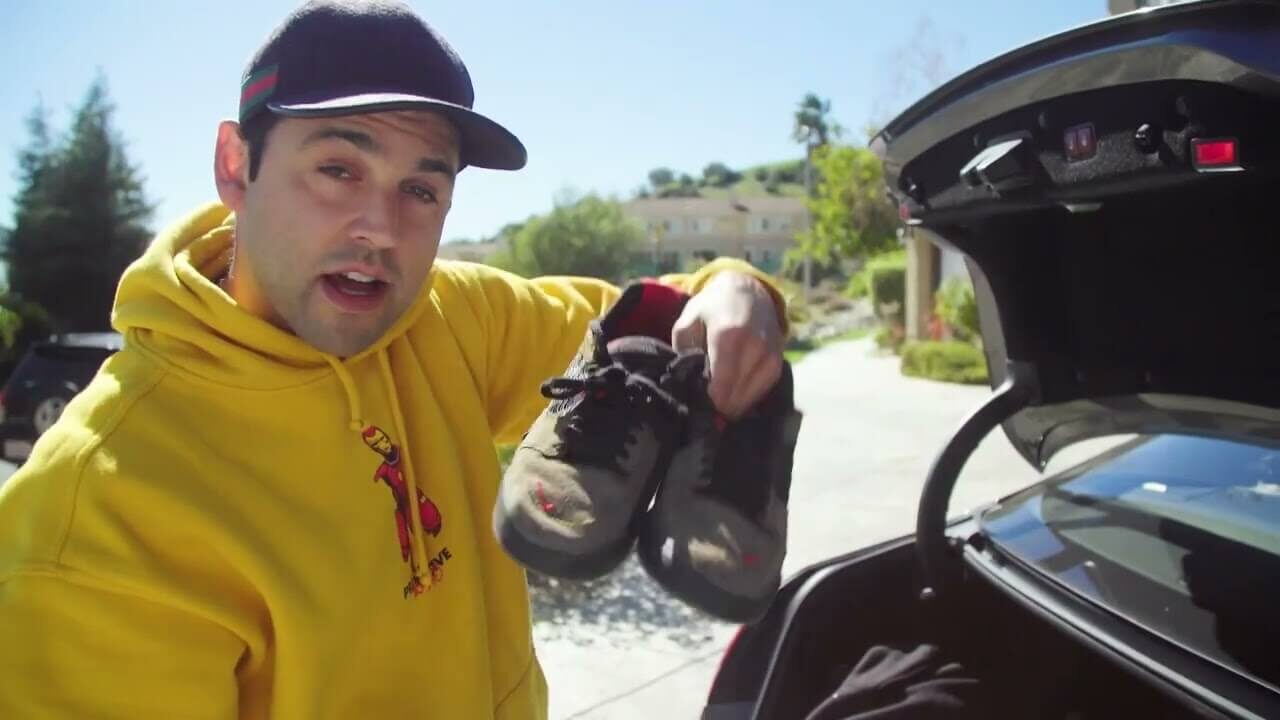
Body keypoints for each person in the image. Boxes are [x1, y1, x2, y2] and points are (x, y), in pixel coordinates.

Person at [0, 1, 787, 717]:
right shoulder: (91, 524)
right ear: (237, 165)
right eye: (339, 169)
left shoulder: (449, 317)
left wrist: (738, 290)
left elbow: (648, 320)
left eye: (421, 189)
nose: (379, 227)